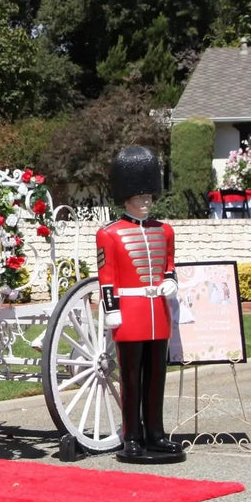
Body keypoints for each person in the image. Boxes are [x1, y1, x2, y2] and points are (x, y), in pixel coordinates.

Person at [96, 145, 185, 464]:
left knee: (156, 376)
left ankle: (155, 434)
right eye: (140, 196)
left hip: (158, 312)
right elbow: (107, 276)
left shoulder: (165, 231)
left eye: (149, 196)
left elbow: (169, 264)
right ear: (127, 197)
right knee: (131, 378)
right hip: (130, 312)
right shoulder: (109, 234)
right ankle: (132, 435)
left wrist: (171, 281)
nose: (146, 201)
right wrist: (112, 309)